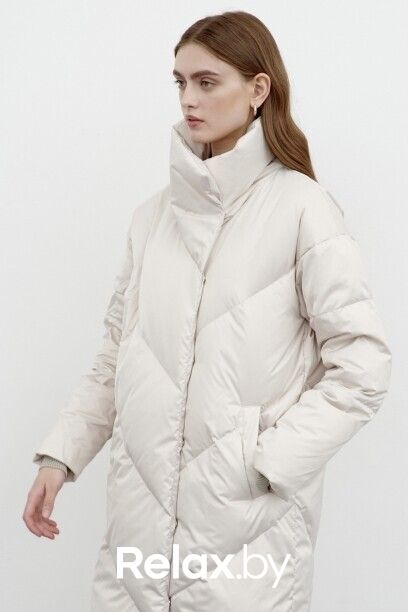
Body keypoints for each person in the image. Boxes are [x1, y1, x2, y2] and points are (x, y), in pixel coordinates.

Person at [23, 10, 392, 612]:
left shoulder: (304, 209)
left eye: (207, 81)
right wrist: (61, 456)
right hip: (138, 537)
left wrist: (265, 462)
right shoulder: (151, 219)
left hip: (250, 538)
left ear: (258, 89)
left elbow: (363, 366)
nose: (188, 99)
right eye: (180, 82)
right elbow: (116, 358)